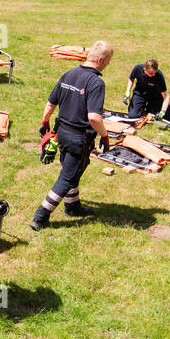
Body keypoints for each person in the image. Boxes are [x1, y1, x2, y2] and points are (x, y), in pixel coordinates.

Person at [31, 40, 113, 229]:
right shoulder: (96, 82)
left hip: (62, 134)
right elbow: (94, 117)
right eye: (108, 61)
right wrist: (105, 136)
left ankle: (73, 206)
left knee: (70, 169)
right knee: (68, 177)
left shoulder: (69, 74)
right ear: (100, 60)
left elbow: (51, 103)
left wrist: (45, 123)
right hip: (79, 138)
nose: (108, 64)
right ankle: (40, 216)